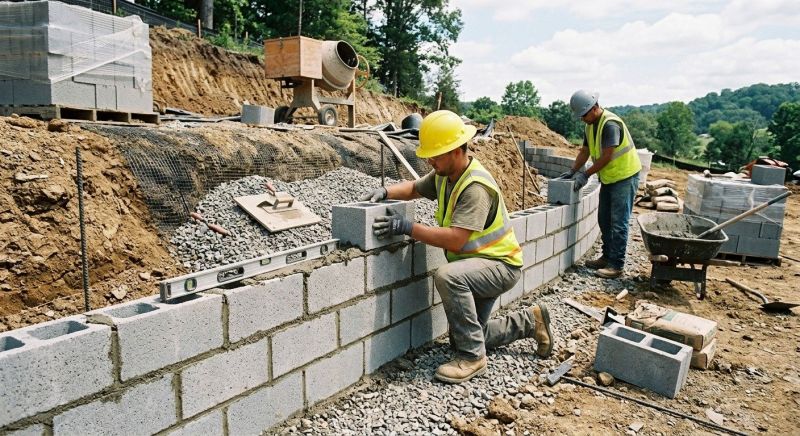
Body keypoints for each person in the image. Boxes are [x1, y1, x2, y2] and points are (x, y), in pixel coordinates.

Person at [359, 110, 553, 384]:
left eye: (435, 155)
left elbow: (455, 239)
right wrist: (385, 192)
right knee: (468, 334)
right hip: (478, 264)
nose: (430, 160)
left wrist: (407, 227)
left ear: (455, 151)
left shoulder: (474, 187)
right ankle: (531, 322)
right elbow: (414, 188)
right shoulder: (445, 174)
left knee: (447, 276)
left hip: (500, 266)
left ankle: (473, 358)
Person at [559, 90, 641, 279]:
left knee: (618, 223)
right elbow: (585, 151)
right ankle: (607, 256)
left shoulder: (610, 125)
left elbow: (607, 156)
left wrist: (585, 174)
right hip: (610, 177)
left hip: (625, 176)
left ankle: (616, 265)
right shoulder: (590, 126)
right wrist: (573, 170)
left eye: (584, 115)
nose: (582, 119)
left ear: (594, 108)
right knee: (604, 219)